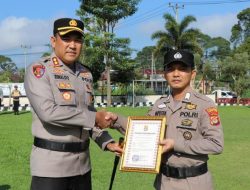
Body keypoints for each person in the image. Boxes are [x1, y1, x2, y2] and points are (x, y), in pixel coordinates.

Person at [24, 18, 121, 190]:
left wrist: (108, 142)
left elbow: (88, 115)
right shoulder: (40, 70)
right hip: (51, 168)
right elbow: (48, 113)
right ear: (53, 41)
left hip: (83, 167)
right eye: (67, 39)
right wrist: (94, 117)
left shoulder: (85, 74)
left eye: (78, 40)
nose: (73, 45)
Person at [112, 49, 224, 190]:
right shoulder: (159, 104)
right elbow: (141, 130)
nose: (176, 74)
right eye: (170, 69)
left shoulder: (205, 104)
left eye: (182, 69)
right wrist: (116, 120)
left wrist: (176, 144)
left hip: (195, 183)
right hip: (164, 183)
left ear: (193, 74)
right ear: (165, 74)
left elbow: (215, 144)